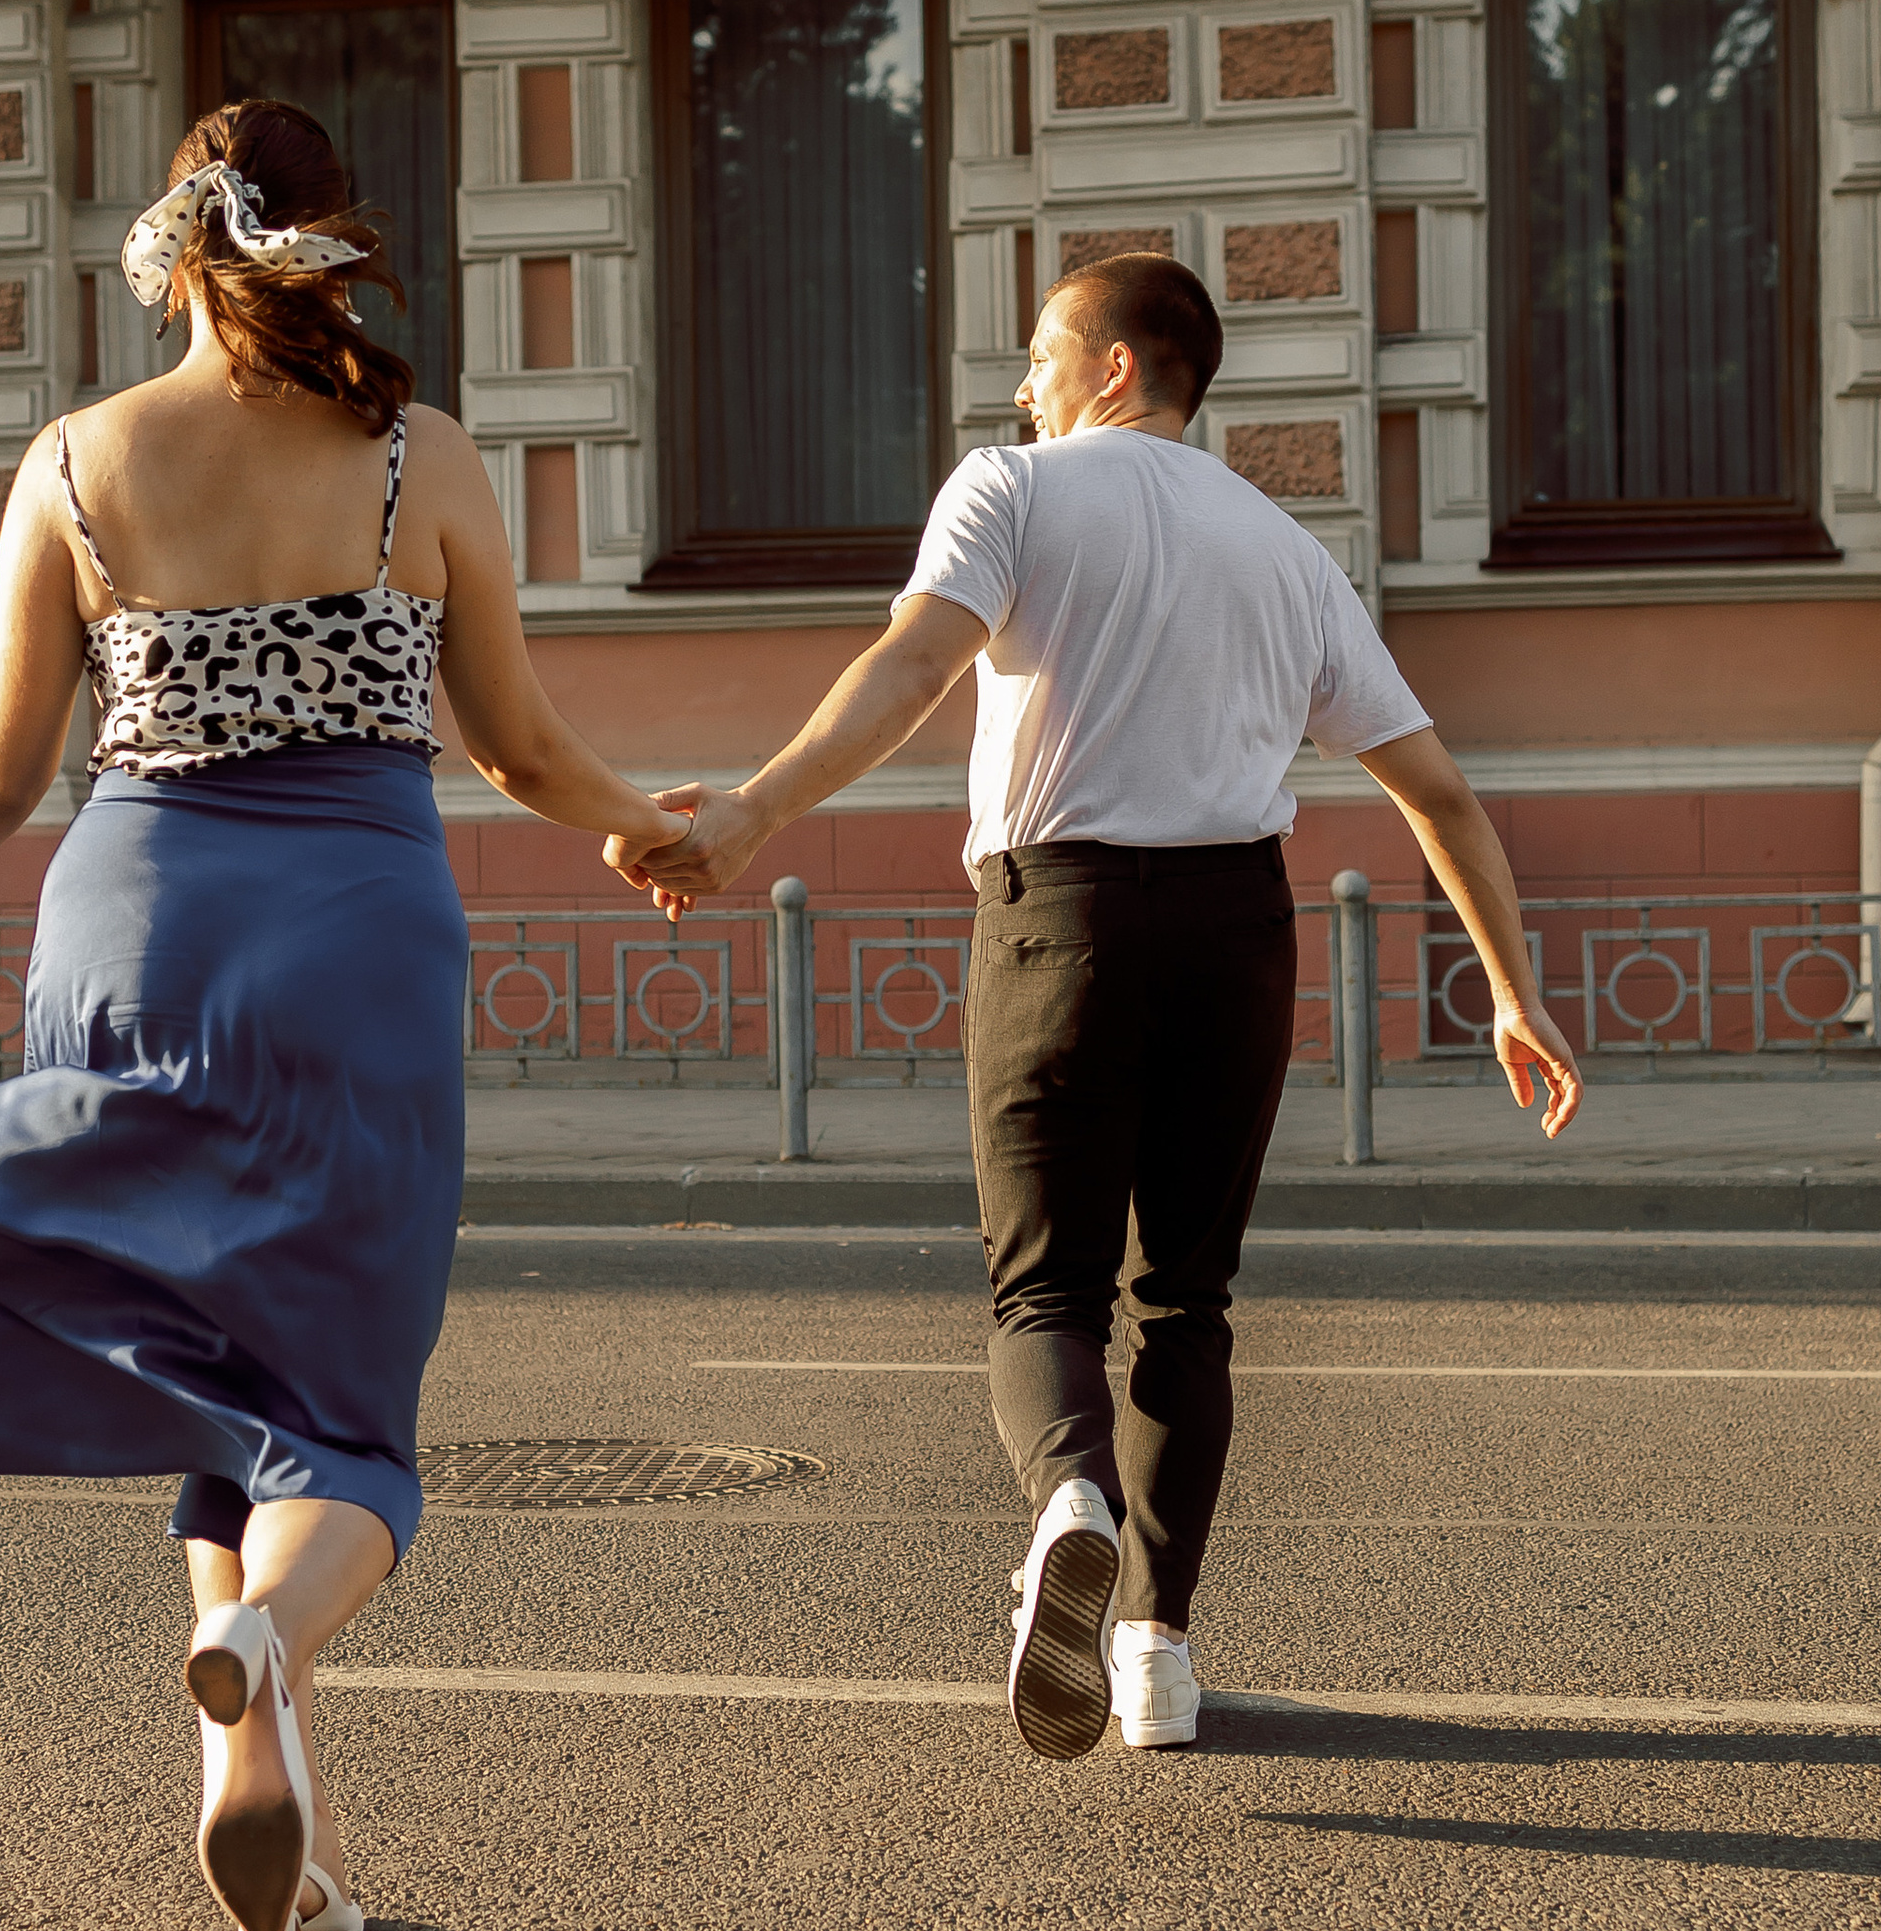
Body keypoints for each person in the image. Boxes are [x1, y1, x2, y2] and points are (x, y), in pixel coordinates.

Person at [0, 101, 680, 1931]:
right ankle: (267, 1656)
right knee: (346, 1417)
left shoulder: (73, 465)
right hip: (357, 941)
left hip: (135, 915)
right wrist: (651, 824)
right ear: (335, 234)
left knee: (205, 1365)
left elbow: (0, 768)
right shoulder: (418, 461)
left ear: (170, 235)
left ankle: (270, 1803)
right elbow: (521, 752)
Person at [624, 254, 1584, 1762]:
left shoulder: (1011, 489)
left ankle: (1067, 1500)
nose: (1023, 384)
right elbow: (1440, 794)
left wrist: (751, 813)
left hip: (1059, 922)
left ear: (1118, 369)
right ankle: (1158, 1655)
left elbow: (912, 669)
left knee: (1045, 1293)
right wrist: (1513, 993)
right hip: (1240, 936)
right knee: (1186, 1303)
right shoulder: (1285, 549)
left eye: (1040, 353)